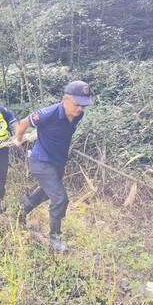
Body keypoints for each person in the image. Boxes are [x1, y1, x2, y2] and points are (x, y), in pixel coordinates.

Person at [15, 80, 93, 252]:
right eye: (77, 104)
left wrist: (40, 134)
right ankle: (55, 236)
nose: (80, 109)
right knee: (60, 198)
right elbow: (23, 123)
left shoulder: (78, 115)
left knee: (45, 193)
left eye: (83, 105)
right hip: (41, 161)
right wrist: (20, 138)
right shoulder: (47, 113)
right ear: (65, 99)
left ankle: (21, 211)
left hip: (58, 161)